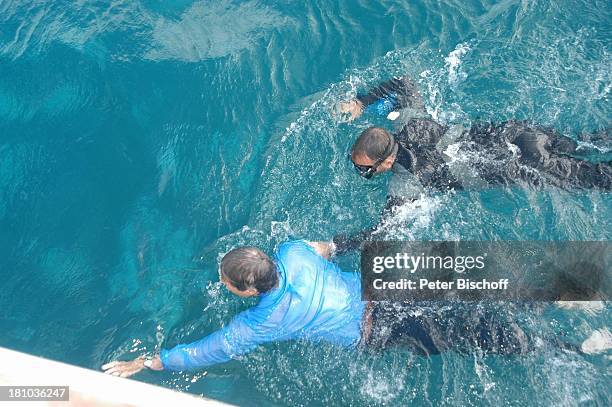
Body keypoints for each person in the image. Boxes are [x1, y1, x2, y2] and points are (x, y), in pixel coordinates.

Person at [102, 240, 585, 377]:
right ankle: (557, 290)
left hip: (378, 331)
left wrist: (147, 361)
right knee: (464, 292)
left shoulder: (260, 323)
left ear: (247, 291)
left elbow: (207, 351)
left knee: (470, 336)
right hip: (388, 286)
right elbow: (329, 247)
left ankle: (573, 346)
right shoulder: (292, 251)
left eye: (227, 283)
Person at [333, 77, 612, 253]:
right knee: (587, 143)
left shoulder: (407, 180)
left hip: (520, 164)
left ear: (389, 160)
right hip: (518, 135)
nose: (362, 173)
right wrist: (362, 101)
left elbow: (383, 232)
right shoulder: (410, 120)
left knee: (598, 177)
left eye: (366, 170)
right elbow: (405, 82)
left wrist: (336, 246)